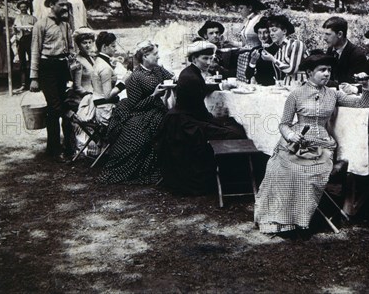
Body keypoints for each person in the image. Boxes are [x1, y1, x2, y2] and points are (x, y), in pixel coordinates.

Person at [254, 53, 369, 236]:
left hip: (322, 144)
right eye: (321, 70)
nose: (326, 74)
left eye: (329, 70)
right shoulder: (296, 95)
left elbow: (363, 104)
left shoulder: (333, 94)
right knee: (281, 168)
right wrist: (291, 135)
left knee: (306, 171)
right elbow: (283, 124)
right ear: (309, 72)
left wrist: (366, 86)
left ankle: (302, 220)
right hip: (296, 141)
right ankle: (283, 221)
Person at [157, 40, 246, 194]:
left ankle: (232, 175)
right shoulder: (191, 77)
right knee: (234, 131)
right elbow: (199, 111)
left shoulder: (191, 72)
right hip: (184, 124)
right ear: (194, 59)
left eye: (210, 58)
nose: (208, 62)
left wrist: (219, 87)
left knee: (230, 126)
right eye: (205, 58)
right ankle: (233, 177)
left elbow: (202, 88)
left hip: (184, 118)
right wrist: (217, 123)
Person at [98, 41, 173, 184]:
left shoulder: (158, 69)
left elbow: (170, 78)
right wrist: (154, 95)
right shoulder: (135, 77)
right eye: (155, 54)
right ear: (145, 56)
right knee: (143, 135)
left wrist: (174, 79)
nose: (158, 57)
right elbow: (135, 106)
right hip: (140, 113)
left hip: (157, 109)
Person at [29, 0, 75, 162]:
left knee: (66, 105)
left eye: (66, 4)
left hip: (62, 67)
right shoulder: (40, 25)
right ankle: (54, 149)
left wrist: (72, 65)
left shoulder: (66, 25)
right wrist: (34, 78)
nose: (64, 7)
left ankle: (69, 146)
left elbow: (70, 48)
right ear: (52, 5)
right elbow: (35, 51)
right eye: (61, 4)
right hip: (47, 68)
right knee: (54, 108)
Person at [259, 14, 306, 85]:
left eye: (274, 30)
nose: (271, 34)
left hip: (301, 86)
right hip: (286, 86)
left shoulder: (296, 44)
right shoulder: (279, 49)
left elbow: (292, 70)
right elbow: (279, 73)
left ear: (284, 31)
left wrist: (273, 59)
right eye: (270, 31)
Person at [93, 31, 127, 123]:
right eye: (113, 46)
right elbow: (108, 96)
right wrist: (124, 82)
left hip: (102, 107)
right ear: (104, 47)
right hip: (106, 111)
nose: (115, 49)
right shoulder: (104, 67)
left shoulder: (99, 60)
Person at [322, 16, 367, 86]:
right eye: (324, 34)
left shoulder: (357, 56)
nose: (324, 38)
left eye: (328, 34)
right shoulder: (330, 50)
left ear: (340, 34)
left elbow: (352, 85)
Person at [236, 0, 268, 83]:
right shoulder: (246, 20)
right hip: (242, 59)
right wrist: (231, 44)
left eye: (241, 8)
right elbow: (245, 43)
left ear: (250, 8)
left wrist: (249, 50)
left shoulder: (260, 20)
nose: (239, 10)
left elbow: (265, 43)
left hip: (254, 58)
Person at [245, 17, 278, 86]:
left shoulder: (278, 49)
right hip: (258, 87)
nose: (262, 36)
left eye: (265, 32)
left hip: (274, 87)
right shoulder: (255, 50)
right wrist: (252, 61)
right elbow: (248, 75)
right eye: (259, 33)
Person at [12, 1, 37, 91]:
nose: (23, 8)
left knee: (32, 60)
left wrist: (30, 29)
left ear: (27, 8)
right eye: (21, 7)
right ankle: (23, 84)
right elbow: (14, 30)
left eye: (25, 7)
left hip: (29, 40)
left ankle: (33, 82)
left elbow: (37, 30)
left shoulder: (32, 18)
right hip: (20, 40)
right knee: (22, 62)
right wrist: (15, 29)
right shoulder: (17, 18)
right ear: (19, 8)